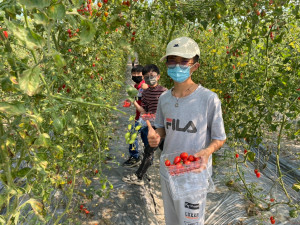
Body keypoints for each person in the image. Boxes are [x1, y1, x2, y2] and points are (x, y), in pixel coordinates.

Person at [147, 37, 226, 225]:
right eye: (172, 60)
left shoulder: (208, 99)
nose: (177, 66)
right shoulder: (164, 98)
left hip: (194, 175)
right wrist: (156, 136)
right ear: (166, 64)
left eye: (184, 61)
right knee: (172, 220)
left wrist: (207, 152)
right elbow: (162, 129)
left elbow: (219, 138)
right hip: (169, 172)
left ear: (195, 66)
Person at [122, 64, 167, 185]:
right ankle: (137, 162)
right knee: (154, 148)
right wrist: (134, 102)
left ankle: (139, 176)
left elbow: (168, 111)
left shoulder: (164, 92)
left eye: (152, 76)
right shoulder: (146, 93)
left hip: (161, 125)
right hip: (150, 120)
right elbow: (144, 111)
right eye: (146, 76)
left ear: (158, 77)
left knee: (152, 150)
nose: (149, 79)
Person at [123, 65, 148, 167]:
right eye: (134, 74)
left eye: (138, 74)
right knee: (144, 137)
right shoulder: (136, 86)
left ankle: (135, 157)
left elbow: (141, 103)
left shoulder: (144, 86)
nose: (136, 76)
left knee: (132, 135)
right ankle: (146, 156)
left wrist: (132, 100)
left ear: (143, 75)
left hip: (145, 117)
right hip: (140, 116)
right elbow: (136, 98)